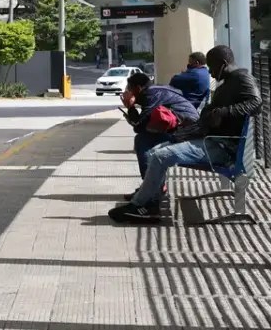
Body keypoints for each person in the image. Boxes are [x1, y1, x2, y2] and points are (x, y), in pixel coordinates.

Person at [109, 45, 262, 221]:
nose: (210, 73)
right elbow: (206, 115)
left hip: (222, 147)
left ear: (223, 64)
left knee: (160, 155)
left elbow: (256, 103)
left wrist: (223, 112)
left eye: (211, 68)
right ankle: (151, 201)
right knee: (152, 153)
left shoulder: (242, 78)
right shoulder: (227, 84)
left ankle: (140, 205)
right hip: (209, 140)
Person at [120, 72, 200, 204]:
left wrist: (131, 107)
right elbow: (142, 124)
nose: (128, 92)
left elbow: (140, 126)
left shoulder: (151, 95)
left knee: (142, 141)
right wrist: (132, 110)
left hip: (187, 131)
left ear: (138, 88)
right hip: (183, 128)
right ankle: (151, 186)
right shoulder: (155, 92)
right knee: (144, 139)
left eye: (129, 89)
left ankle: (152, 189)